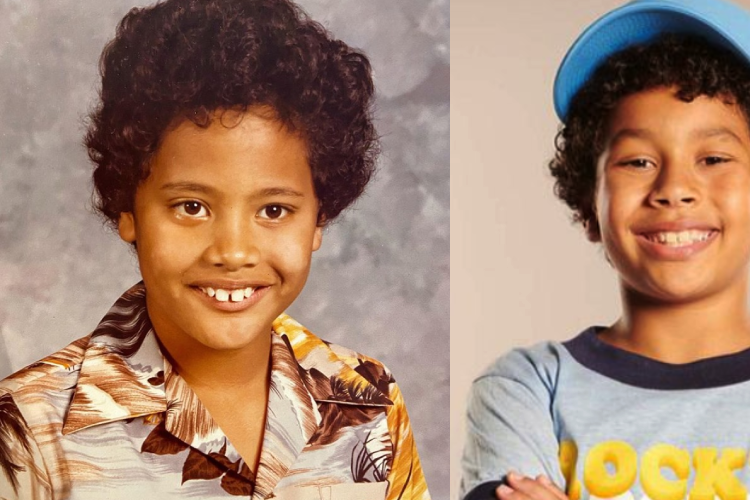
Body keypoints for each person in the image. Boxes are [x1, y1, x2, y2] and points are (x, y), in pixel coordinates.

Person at [460, 0, 750, 499]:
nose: (674, 188)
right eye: (637, 161)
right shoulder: (527, 388)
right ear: (590, 204)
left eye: (712, 157)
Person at [0, 0, 429, 498]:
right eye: (191, 207)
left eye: (273, 211)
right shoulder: (27, 429)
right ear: (127, 210)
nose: (233, 251)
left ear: (319, 218)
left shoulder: (371, 401)